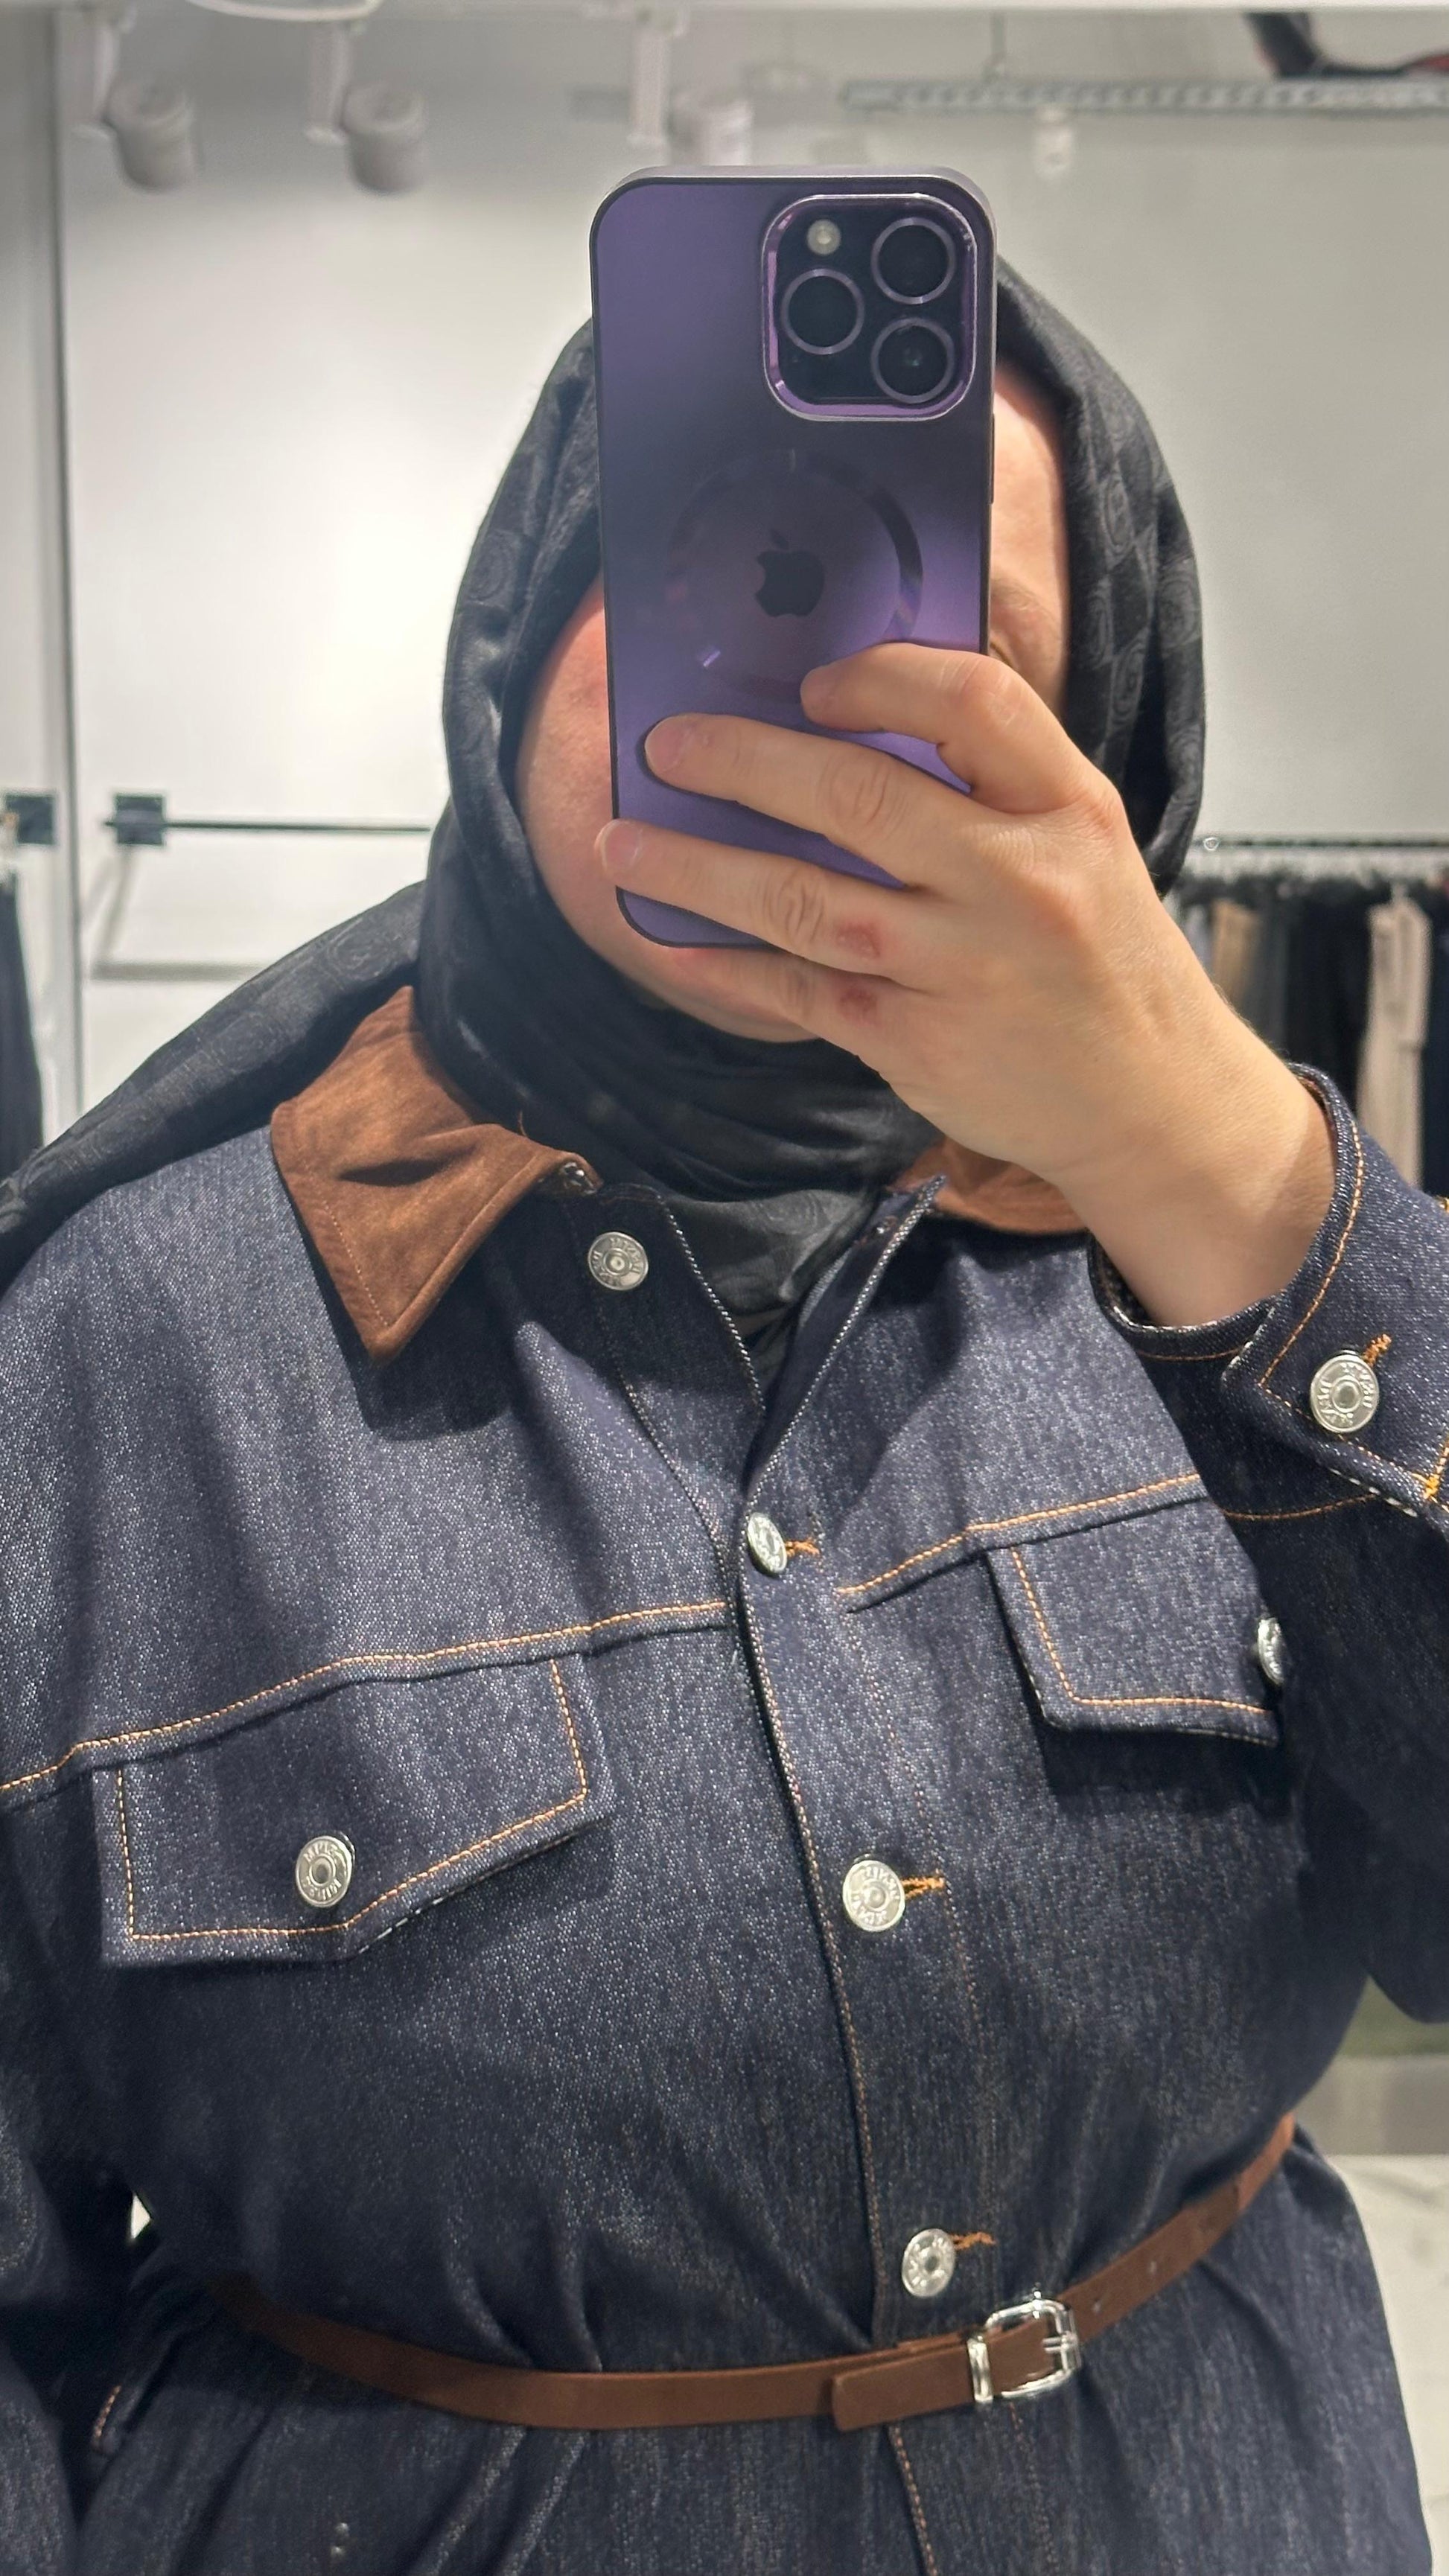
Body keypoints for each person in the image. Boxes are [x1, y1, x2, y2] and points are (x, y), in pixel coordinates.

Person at [0, 264, 1441, 2576]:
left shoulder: (1244, 1265)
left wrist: (1236, 1185)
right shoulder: (98, 1367)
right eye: (741, 572)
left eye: (945, 635)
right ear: (523, 629)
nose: (816, 697)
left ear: (1098, 747)